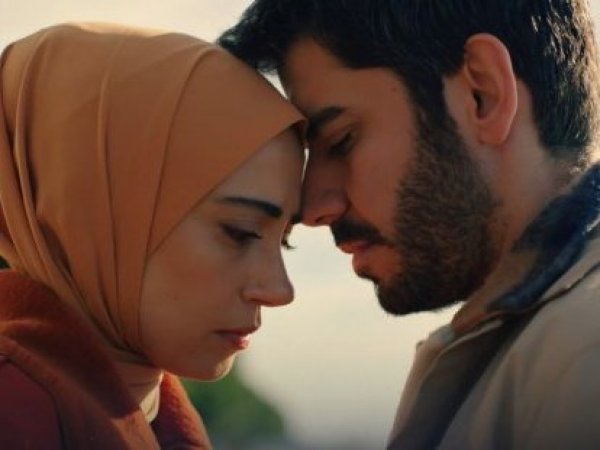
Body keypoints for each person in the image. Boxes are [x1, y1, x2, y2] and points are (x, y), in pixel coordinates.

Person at [219, 0, 600, 448]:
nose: (312, 208)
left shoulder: (582, 350)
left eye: (342, 140)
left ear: (483, 93)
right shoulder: (533, 348)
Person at [0, 23, 304, 449]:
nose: (279, 290)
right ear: (93, 208)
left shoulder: (148, 410)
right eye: (241, 232)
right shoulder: (15, 415)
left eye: (284, 240)